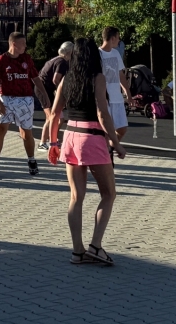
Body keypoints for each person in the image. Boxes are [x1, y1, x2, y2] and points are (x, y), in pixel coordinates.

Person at [47, 38, 126, 265]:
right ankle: (95, 246)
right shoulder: (97, 78)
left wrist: (53, 144)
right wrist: (116, 142)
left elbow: (54, 114)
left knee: (76, 197)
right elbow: (102, 113)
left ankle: (77, 251)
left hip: (70, 137)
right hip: (92, 138)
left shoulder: (66, 79)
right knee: (109, 194)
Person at [0, 31, 49, 179]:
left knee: (26, 132)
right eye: (23, 43)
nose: (25, 46)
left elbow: (35, 78)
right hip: (6, 98)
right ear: (14, 44)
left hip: (25, 99)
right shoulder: (2, 60)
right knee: (0, 130)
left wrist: (45, 94)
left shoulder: (27, 58)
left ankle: (31, 160)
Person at [38, 41, 73, 150]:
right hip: (44, 90)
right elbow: (56, 80)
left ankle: (51, 138)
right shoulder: (62, 62)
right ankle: (43, 142)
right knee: (53, 117)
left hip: (44, 89)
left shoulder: (56, 59)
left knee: (58, 117)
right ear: (69, 52)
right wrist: (62, 93)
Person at [98, 27, 129, 141]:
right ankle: (107, 152)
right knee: (106, 130)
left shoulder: (116, 53)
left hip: (117, 98)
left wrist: (128, 93)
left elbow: (120, 74)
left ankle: (111, 146)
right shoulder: (98, 54)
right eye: (118, 37)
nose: (119, 40)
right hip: (105, 98)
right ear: (112, 38)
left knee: (122, 128)